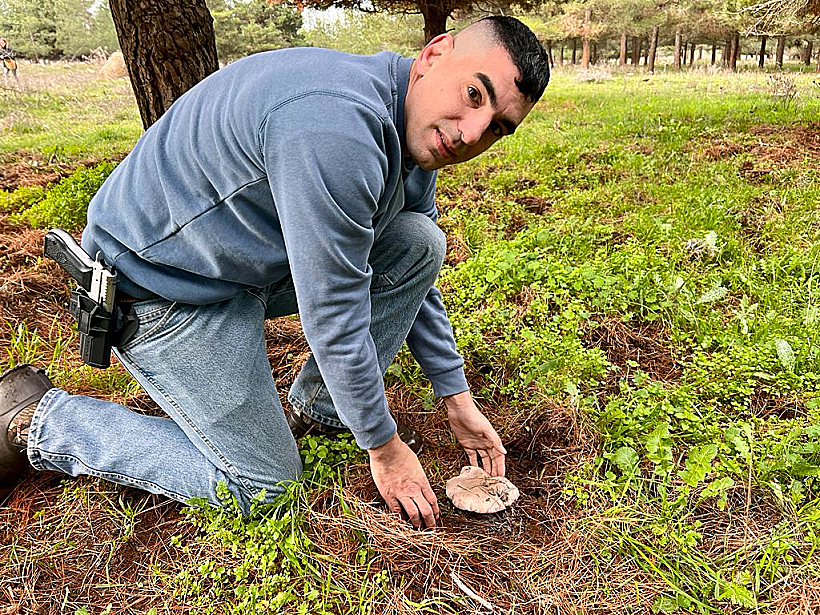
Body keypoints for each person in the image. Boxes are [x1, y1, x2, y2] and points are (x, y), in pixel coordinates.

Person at [0, 16, 549, 528]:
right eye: (475, 95)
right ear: (434, 55)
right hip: (155, 292)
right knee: (265, 488)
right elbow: (332, 308)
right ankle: (43, 422)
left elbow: (413, 273)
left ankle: (325, 406)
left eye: (498, 126)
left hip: (232, 269)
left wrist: (455, 395)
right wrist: (384, 446)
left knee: (418, 241)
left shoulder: (412, 127)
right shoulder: (338, 126)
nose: (473, 133)